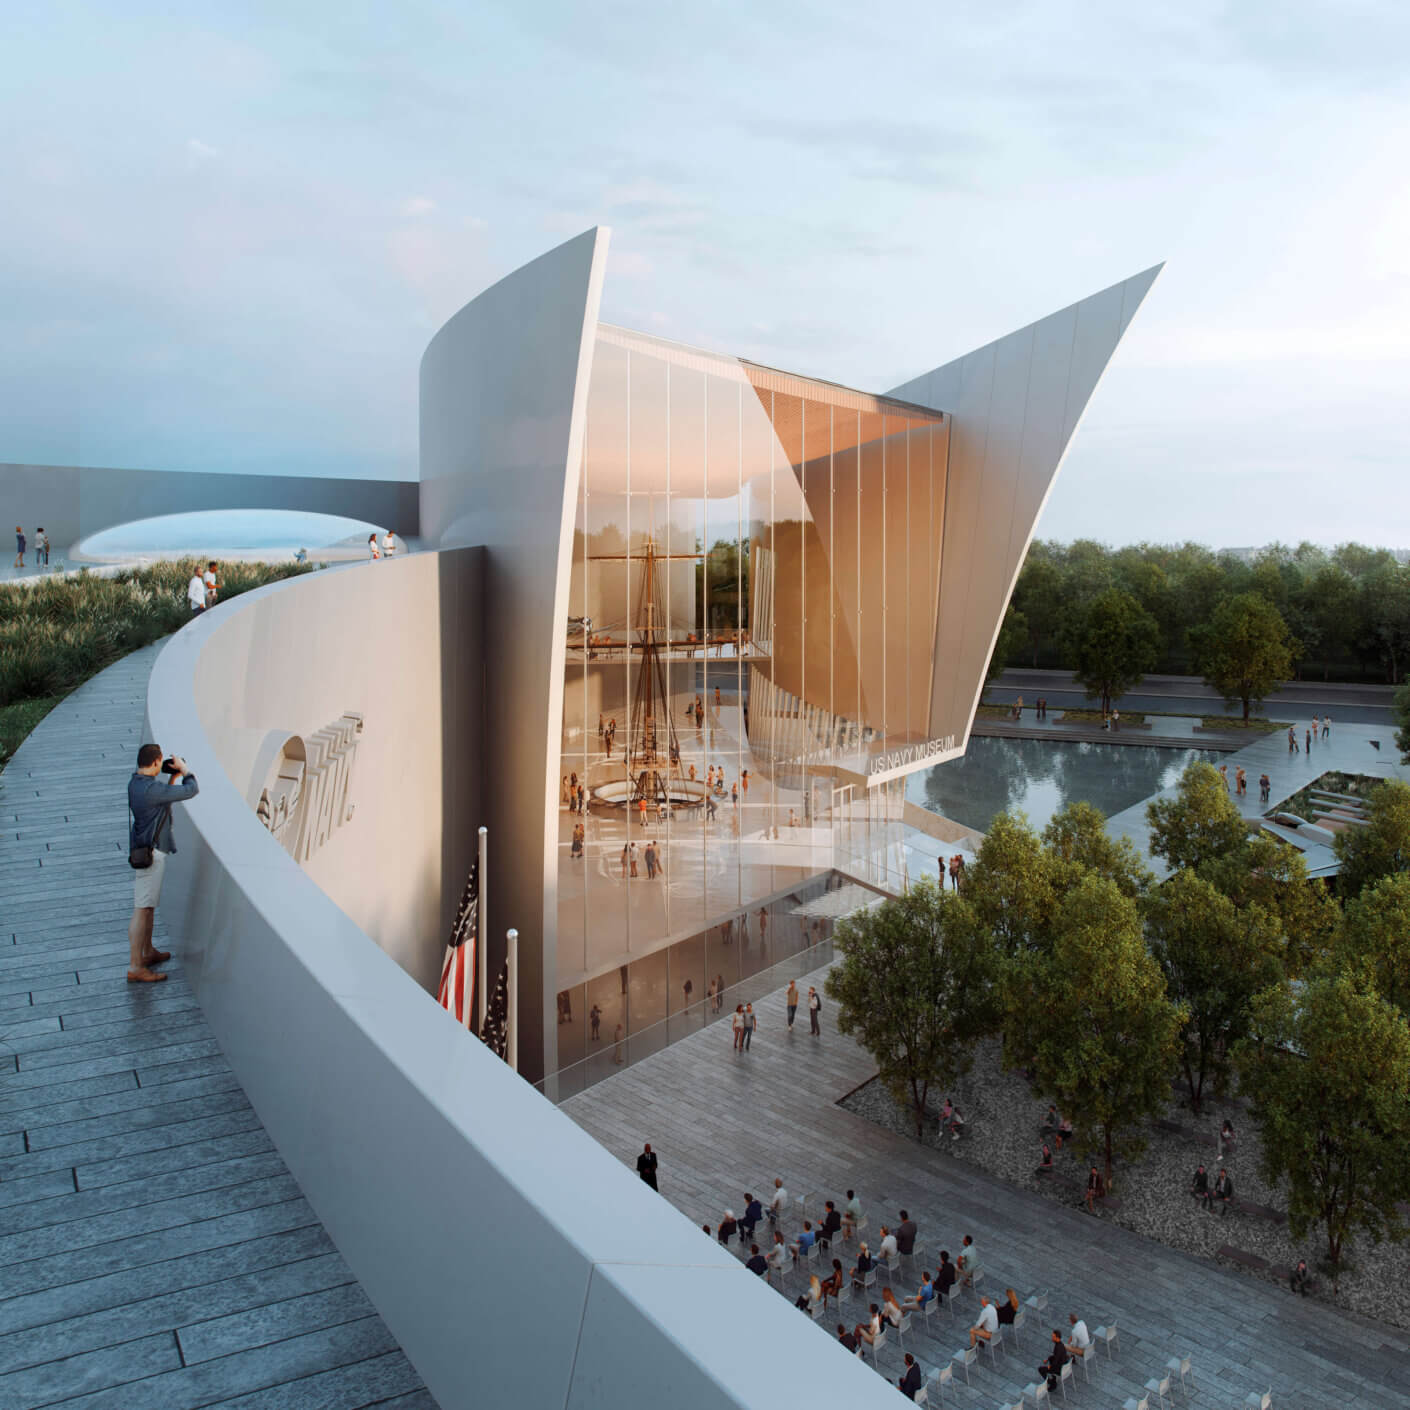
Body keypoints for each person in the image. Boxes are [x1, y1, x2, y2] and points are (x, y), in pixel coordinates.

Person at [126, 743, 199, 983]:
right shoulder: (151, 790)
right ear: (157, 762)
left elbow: (160, 805)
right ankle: (136, 967)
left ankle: (148, 952)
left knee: (148, 907)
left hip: (143, 848)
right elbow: (192, 790)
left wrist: (172, 778)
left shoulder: (135, 784)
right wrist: (185, 770)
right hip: (152, 853)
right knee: (142, 909)